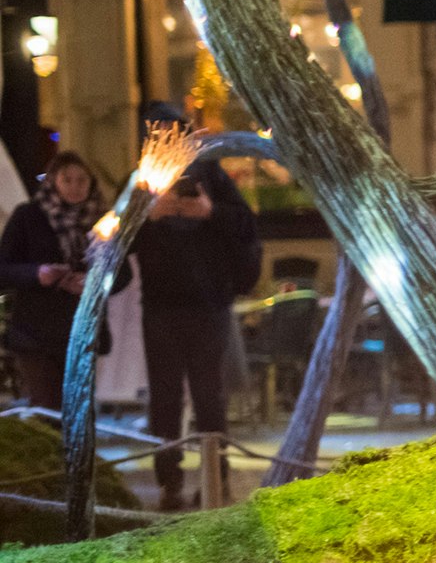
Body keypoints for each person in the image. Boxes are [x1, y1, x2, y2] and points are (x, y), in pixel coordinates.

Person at [132, 108, 262, 511]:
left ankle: (214, 479)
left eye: (178, 133)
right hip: (161, 306)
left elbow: (244, 226)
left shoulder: (212, 174)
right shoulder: (142, 179)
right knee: (164, 400)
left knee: (210, 398)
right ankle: (169, 481)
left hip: (208, 305)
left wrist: (210, 212)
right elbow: (114, 236)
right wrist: (146, 217)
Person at [0, 151, 108, 411]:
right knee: (46, 406)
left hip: (82, 328)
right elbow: (4, 268)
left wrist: (91, 283)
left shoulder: (102, 220)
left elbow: (120, 271)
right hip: (36, 330)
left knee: (78, 409)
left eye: (81, 180)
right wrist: (38, 274)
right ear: (53, 181)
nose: (74, 187)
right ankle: (51, 452)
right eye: (67, 179)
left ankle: (75, 453)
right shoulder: (29, 216)